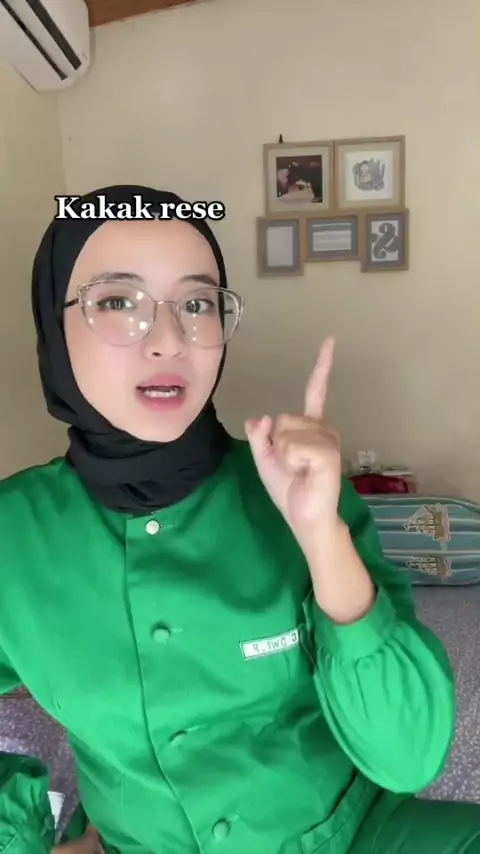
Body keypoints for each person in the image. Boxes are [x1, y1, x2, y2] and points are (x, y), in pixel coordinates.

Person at [0, 183, 478, 854]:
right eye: (118, 302)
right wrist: (21, 835)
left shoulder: (297, 492)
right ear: (54, 324)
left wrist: (322, 536)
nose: (169, 340)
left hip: (349, 836)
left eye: (197, 303)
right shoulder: (14, 534)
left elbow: (407, 758)